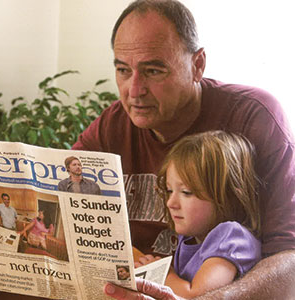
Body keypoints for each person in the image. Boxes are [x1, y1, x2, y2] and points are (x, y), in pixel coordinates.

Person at [76, 0, 294, 298]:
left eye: (153, 71)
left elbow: (289, 257)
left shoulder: (254, 117)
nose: (134, 90)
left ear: (198, 65)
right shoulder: (112, 124)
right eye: (123, 70)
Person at [137, 131, 262, 298]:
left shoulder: (232, 237)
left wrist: (163, 274)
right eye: (169, 190)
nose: (170, 203)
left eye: (187, 192)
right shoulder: (190, 237)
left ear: (230, 196)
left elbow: (196, 296)